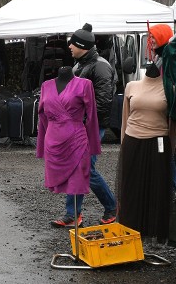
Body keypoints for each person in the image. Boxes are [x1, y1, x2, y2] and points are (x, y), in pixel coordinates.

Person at [51, 23, 118, 227]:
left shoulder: (100, 66)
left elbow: (104, 101)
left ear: (83, 45)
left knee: (85, 168)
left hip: (89, 127)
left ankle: (111, 207)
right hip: (76, 126)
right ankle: (74, 214)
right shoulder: (78, 65)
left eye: (73, 43)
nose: (69, 46)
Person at [37, 67, 100, 225]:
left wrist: (93, 144)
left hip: (76, 139)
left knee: (79, 178)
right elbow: (42, 115)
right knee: (72, 179)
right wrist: (42, 142)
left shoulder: (85, 84)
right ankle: (73, 215)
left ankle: (74, 215)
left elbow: (92, 115)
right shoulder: (46, 86)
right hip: (53, 139)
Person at [118, 60, 170, 242]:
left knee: (158, 186)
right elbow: (125, 116)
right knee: (131, 185)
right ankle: (130, 228)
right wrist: (123, 142)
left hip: (159, 141)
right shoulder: (131, 86)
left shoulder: (169, 87)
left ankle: (154, 230)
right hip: (133, 139)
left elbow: (172, 119)